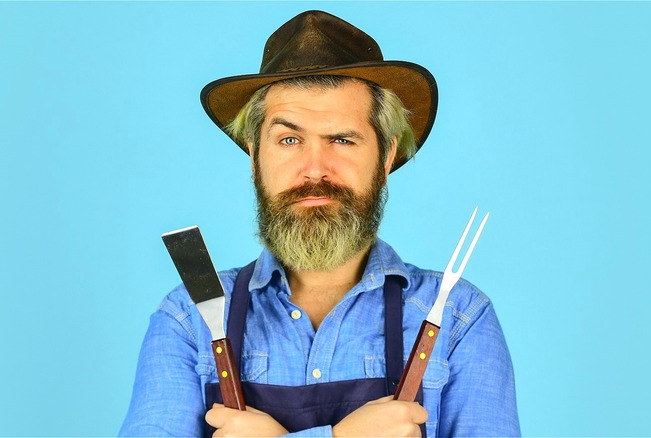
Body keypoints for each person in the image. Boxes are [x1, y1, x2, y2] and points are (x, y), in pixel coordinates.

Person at [120, 10, 519, 437]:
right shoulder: (189, 319)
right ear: (255, 157)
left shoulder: (459, 318)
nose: (315, 169)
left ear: (386, 157)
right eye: (289, 140)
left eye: (342, 139)